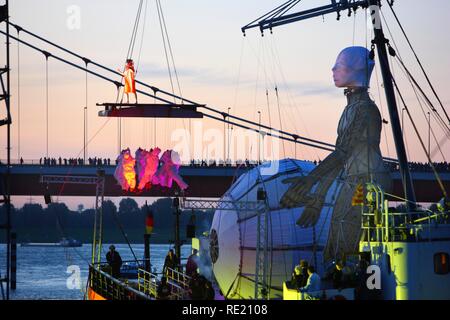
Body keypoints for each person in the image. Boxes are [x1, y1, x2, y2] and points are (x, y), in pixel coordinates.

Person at [280, 46, 393, 261]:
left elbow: (342, 152)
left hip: (367, 184)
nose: (333, 69)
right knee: (337, 243)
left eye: (339, 65)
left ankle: (360, 284)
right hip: (354, 181)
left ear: (356, 69)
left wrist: (309, 181)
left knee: (347, 245)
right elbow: (340, 157)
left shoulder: (365, 109)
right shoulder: (351, 108)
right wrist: (319, 196)